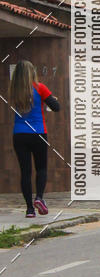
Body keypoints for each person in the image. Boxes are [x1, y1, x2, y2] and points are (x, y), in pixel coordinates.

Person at [9, 60, 60, 218]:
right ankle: (39, 198)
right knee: (41, 168)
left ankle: (30, 209)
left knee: (25, 172)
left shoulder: (13, 90)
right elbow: (56, 107)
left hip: (19, 134)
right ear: (32, 72)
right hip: (38, 133)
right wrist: (52, 99)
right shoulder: (40, 87)